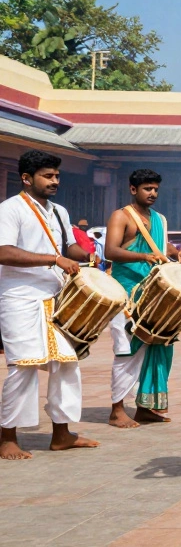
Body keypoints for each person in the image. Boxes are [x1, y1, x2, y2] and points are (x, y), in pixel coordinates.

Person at [0, 150, 99, 460]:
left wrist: (84, 255)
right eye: (47, 175)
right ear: (27, 178)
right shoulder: (10, 209)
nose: (54, 180)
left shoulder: (59, 211)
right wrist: (53, 259)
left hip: (56, 297)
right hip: (19, 296)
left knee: (67, 363)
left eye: (57, 175)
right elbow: (3, 251)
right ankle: (7, 438)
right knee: (24, 366)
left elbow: (67, 245)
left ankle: (61, 434)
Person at [104, 168, 181, 428]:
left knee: (159, 346)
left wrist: (176, 253)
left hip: (154, 294)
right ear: (133, 189)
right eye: (147, 189)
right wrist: (143, 257)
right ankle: (117, 410)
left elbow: (159, 246)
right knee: (127, 349)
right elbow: (110, 251)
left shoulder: (159, 219)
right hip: (127, 292)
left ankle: (144, 407)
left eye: (155, 189)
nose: (152, 193)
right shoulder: (121, 216)